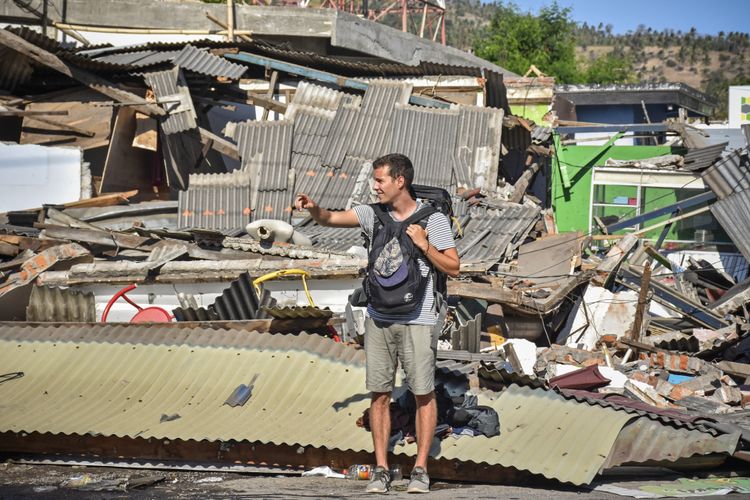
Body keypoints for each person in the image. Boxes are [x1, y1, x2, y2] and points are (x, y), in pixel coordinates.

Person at [295, 153, 459, 494]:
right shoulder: (373, 214)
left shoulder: (434, 220)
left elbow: (454, 267)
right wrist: (313, 208)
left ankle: (420, 470)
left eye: (380, 180)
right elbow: (329, 218)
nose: (375, 186)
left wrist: (424, 244)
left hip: (419, 318)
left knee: (423, 395)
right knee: (380, 394)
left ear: (400, 181)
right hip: (380, 318)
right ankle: (382, 469)